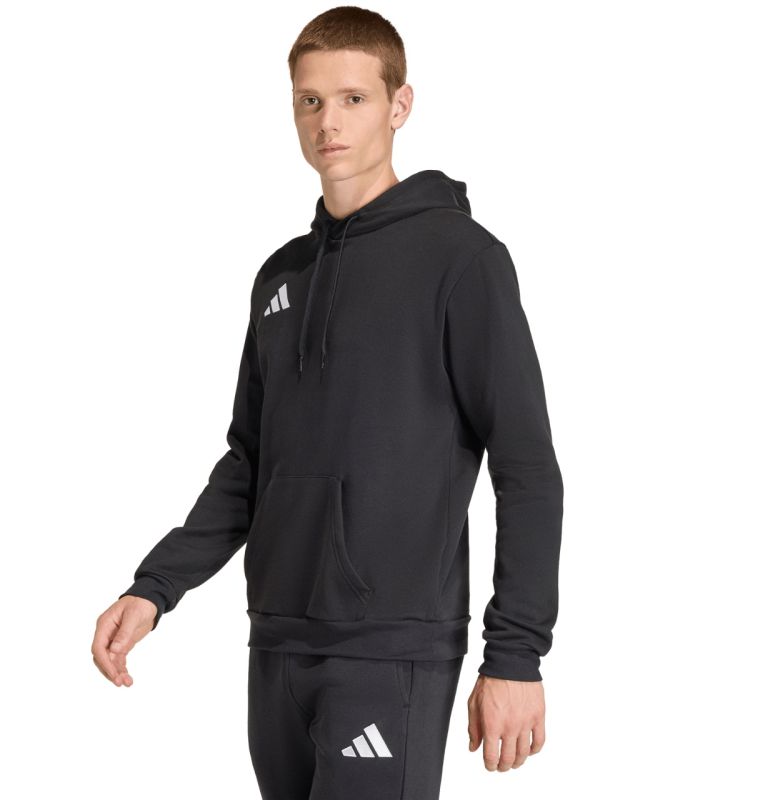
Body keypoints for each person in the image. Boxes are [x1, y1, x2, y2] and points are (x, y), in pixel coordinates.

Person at [91, 6, 564, 799]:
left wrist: (515, 655)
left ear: (399, 105)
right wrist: (155, 586)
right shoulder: (283, 276)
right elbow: (250, 463)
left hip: (390, 648)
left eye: (353, 99)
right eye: (310, 101)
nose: (328, 122)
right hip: (276, 641)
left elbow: (527, 469)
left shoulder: (461, 260)